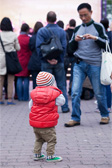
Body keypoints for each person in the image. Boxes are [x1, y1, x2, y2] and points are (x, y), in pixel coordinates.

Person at [64, 3, 110, 127]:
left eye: (85, 15)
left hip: (95, 64)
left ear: (91, 12)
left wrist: (95, 38)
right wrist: (75, 40)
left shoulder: (98, 27)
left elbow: (106, 43)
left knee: (99, 92)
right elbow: (70, 48)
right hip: (79, 63)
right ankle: (75, 118)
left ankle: (104, 115)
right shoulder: (77, 29)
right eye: (81, 16)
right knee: (74, 92)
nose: (83, 18)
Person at [36, 11, 69, 113]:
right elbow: (64, 47)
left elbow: (39, 47)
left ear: (47, 19)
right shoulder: (62, 32)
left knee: (45, 86)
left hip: (46, 62)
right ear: (55, 19)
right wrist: (58, 59)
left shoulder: (42, 31)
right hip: (59, 63)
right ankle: (64, 107)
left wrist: (47, 59)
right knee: (61, 85)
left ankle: (46, 108)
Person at [29, 71, 65, 162]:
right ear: (51, 82)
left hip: (36, 123)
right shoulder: (54, 93)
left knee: (39, 139)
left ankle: (37, 154)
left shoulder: (34, 93)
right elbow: (62, 102)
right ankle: (50, 156)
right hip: (48, 123)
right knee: (51, 140)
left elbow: (30, 106)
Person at [0, 17, 20, 105]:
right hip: (11, 60)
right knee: (10, 81)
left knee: (0, 81)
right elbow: (18, 48)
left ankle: (0, 99)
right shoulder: (14, 35)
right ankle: (9, 99)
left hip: (1, 60)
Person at [16, 23, 31, 101]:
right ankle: (25, 97)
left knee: (19, 78)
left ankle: (19, 96)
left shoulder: (18, 38)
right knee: (26, 78)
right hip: (27, 60)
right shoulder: (28, 39)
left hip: (19, 59)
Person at [100, 18, 111, 111]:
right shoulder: (110, 34)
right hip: (110, 59)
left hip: (104, 60)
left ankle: (105, 105)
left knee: (104, 82)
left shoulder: (103, 36)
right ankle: (108, 104)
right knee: (108, 81)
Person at [28, 21, 43, 89]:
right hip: (42, 60)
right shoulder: (44, 37)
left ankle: (36, 97)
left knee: (35, 81)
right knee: (43, 82)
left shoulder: (32, 38)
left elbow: (31, 48)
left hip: (34, 60)